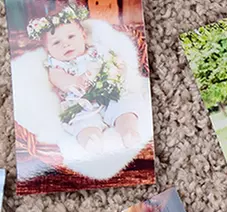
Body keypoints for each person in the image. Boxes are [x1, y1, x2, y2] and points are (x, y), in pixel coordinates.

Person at [28, 3, 143, 151]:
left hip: (109, 93)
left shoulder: (96, 51)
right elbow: (56, 77)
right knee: (82, 122)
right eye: (56, 42)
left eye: (71, 36)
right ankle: (91, 140)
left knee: (124, 106)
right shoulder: (56, 64)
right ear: (47, 49)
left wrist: (116, 69)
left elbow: (113, 61)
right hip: (82, 102)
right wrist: (74, 81)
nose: (66, 44)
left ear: (83, 36)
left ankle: (128, 131)